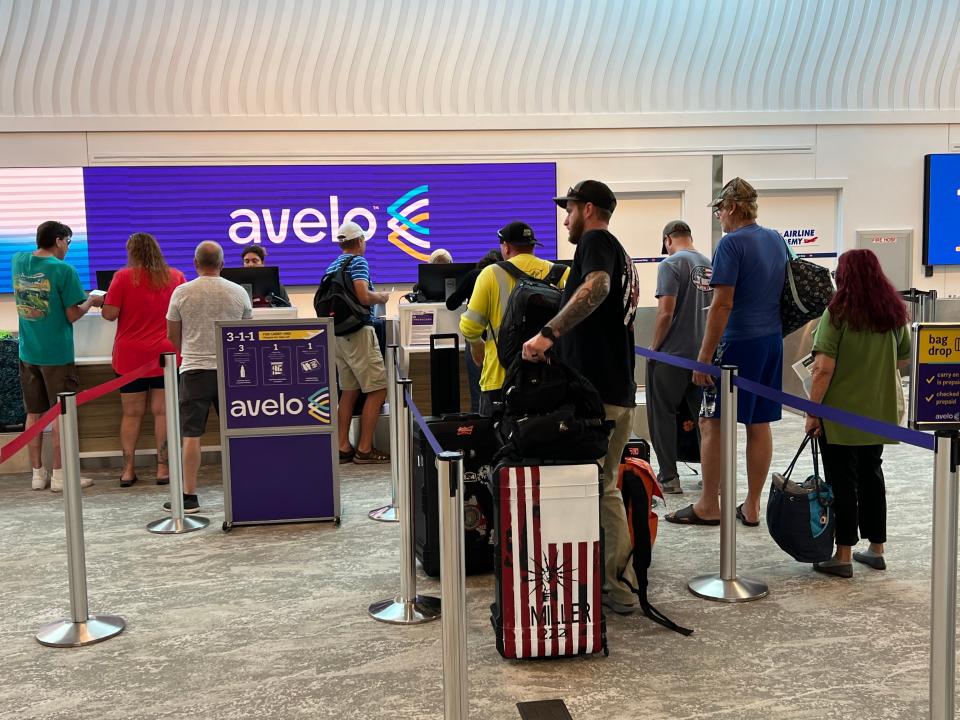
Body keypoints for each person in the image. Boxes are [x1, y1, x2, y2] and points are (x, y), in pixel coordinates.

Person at [521, 181, 641, 615]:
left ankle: (617, 585)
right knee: (602, 483)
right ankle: (610, 580)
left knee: (601, 486)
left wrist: (548, 333)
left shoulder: (596, 241)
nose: (565, 218)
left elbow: (598, 286)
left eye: (568, 210)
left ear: (588, 209)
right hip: (613, 390)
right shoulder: (618, 249)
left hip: (599, 396)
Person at [666, 177, 789, 527]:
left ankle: (708, 504)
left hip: (736, 344)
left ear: (732, 207)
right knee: (758, 422)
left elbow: (722, 304)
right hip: (771, 342)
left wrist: (703, 357)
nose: (718, 215)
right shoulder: (775, 240)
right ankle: (751, 506)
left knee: (711, 421)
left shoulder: (731, 244)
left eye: (720, 209)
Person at [804, 250, 910, 577]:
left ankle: (844, 554)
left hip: (840, 413)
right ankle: (876, 549)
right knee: (871, 476)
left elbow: (822, 369)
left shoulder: (837, 314)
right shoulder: (892, 313)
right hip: (877, 412)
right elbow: (903, 359)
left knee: (842, 481)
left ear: (843, 276)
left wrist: (812, 412)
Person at [12, 220, 103, 492]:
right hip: (56, 355)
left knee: (34, 413)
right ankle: (61, 476)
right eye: (69, 242)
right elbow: (73, 314)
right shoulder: (64, 270)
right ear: (60, 240)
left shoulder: (18, 260)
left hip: (28, 351)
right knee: (61, 415)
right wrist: (91, 301)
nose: (68, 248)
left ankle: (37, 474)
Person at [166, 241, 252, 513]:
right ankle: (244, 491)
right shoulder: (238, 292)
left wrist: (189, 352)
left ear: (195, 264)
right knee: (236, 434)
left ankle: (189, 496)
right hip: (232, 372)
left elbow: (172, 334)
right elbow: (245, 334)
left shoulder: (182, 292)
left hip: (194, 370)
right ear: (222, 264)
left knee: (191, 435)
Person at [101, 233, 186, 487]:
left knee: (131, 414)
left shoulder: (122, 277)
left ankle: (128, 470)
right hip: (166, 355)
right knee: (163, 413)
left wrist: (101, 301)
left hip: (130, 357)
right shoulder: (175, 277)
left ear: (132, 252)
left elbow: (110, 314)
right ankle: (163, 469)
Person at [460, 222, 568, 416]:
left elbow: (470, 326)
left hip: (500, 379)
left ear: (506, 247)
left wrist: (476, 345)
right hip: (550, 379)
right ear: (533, 246)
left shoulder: (490, 274)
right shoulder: (561, 274)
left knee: (497, 443)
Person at [646, 220, 713, 494]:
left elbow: (665, 312)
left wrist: (653, 349)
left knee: (662, 413)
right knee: (705, 419)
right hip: (703, 356)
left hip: (672, 356)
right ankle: (711, 478)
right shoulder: (710, 264)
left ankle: (669, 478)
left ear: (667, 240)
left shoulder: (670, 264)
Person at [326, 221, 391, 464]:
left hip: (338, 335)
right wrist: (381, 297)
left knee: (349, 391)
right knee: (378, 389)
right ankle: (364, 449)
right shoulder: (358, 262)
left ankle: (343, 446)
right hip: (358, 333)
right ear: (361, 241)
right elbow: (363, 296)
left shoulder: (332, 265)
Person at [447, 249, 503, 413]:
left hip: (476, 338)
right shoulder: (505, 276)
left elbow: (451, 304)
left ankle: (478, 430)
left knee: (477, 390)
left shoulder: (474, 276)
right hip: (502, 338)